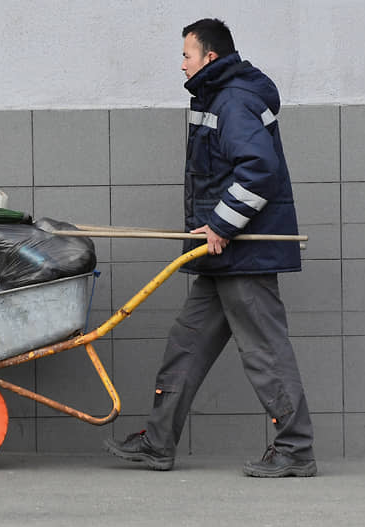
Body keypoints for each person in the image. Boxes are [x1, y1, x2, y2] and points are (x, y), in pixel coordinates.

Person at [104, 18, 315, 477]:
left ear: (209, 58)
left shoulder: (233, 101)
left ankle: (295, 450)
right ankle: (158, 443)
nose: (181, 65)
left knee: (264, 352)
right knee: (187, 345)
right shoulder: (217, 96)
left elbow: (259, 170)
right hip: (222, 256)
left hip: (242, 255)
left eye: (186, 55)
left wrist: (220, 224)